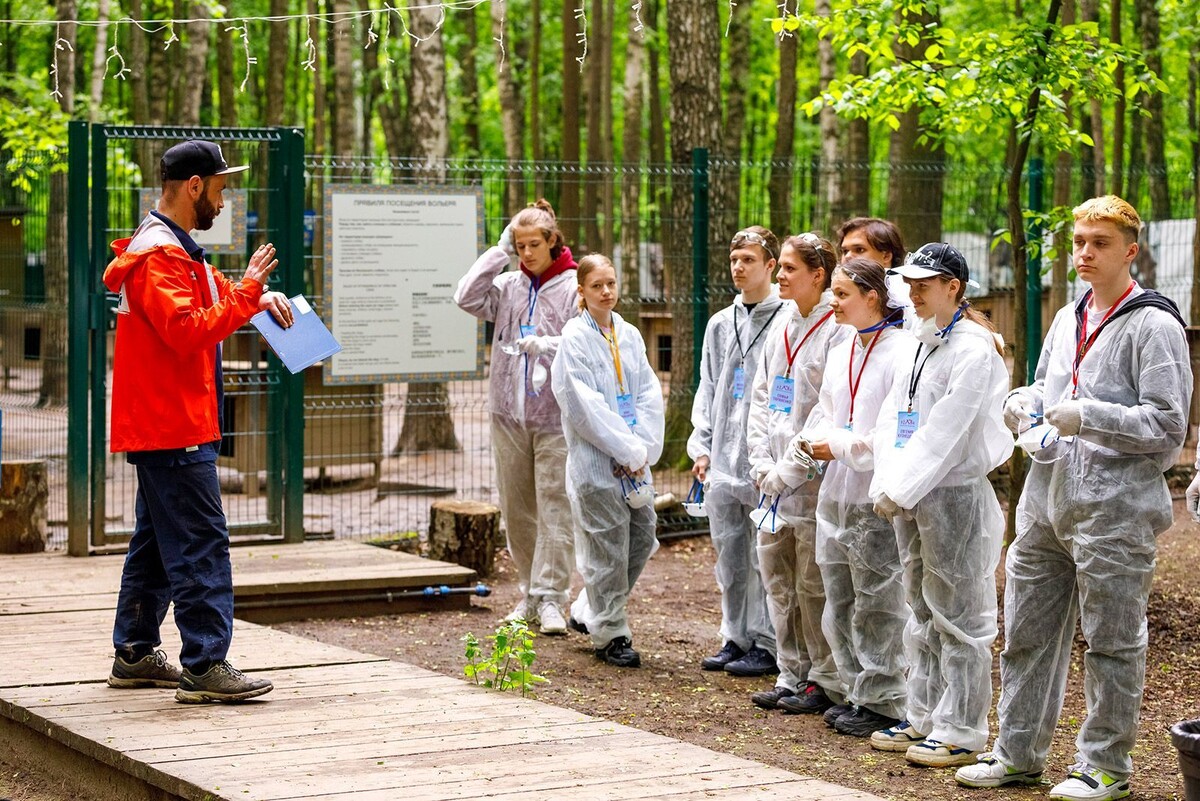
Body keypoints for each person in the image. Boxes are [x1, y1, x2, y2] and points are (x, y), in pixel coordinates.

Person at [956, 196, 1192, 800]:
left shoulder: (1155, 325)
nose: (1084, 252)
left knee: (1113, 639)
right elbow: (1051, 387)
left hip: (1115, 509)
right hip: (1046, 499)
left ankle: (1106, 765)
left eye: (1100, 243)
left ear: (1130, 251)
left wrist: (1085, 416)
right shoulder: (1068, 316)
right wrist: (1025, 401)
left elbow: (1167, 424)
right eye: (1079, 241)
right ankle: (1016, 752)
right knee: (1027, 633)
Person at [104, 140, 292, 703]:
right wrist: (251, 287)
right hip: (174, 426)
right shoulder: (159, 257)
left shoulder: (175, 251)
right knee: (201, 542)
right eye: (219, 188)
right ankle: (206, 664)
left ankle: (134, 653)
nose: (223, 199)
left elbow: (209, 311)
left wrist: (257, 298)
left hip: (173, 422)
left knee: (158, 543)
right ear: (193, 187)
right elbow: (188, 330)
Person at [868, 242, 1012, 766]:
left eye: (923, 284)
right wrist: (890, 481)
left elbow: (948, 430)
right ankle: (924, 713)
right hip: (911, 494)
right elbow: (894, 416)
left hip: (952, 495)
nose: (913, 293)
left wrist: (898, 486)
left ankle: (963, 729)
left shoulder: (973, 349)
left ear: (954, 286)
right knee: (921, 609)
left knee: (960, 616)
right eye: (910, 284)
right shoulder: (921, 338)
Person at [800, 257, 914, 737]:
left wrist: (842, 446)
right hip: (837, 489)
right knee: (840, 596)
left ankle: (885, 699)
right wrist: (811, 442)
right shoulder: (845, 343)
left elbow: (891, 434)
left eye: (843, 294)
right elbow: (826, 409)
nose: (834, 301)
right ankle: (856, 689)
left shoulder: (900, 351)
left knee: (879, 601)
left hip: (874, 494)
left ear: (873, 297)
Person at [454, 200, 578, 635]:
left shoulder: (572, 286)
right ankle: (529, 591)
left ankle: (552, 598)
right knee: (518, 506)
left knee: (555, 505)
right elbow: (465, 296)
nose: (527, 253)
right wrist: (499, 250)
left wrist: (549, 346)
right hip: (507, 412)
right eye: (520, 245)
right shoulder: (507, 285)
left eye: (533, 245)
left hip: (556, 417)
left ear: (552, 242)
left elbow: (587, 343)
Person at [745, 233, 851, 714]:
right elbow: (762, 398)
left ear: (818, 274)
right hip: (772, 484)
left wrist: (793, 465)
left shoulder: (836, 327)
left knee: (813, 582)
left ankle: (823, 677)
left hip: (813, 480)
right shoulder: (782, 323)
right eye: (781, 267)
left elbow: (830, 407)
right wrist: (762, 460)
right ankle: (790, 672)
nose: (781, 275)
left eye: (789, 268)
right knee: (777, 578)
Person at [552, 254, 665, 668]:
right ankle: (611, 633)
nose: (606, 292)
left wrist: (643, 449)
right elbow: (585, 407)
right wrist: (626, 450)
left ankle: (590, 606)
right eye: (597, 285)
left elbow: (648, 393)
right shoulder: (574, 338)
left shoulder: (630, 334)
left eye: (612, 283)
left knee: (641, 536)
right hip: (597, 463)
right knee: (605, 547)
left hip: (634, 461)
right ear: (581, 290)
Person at [688, 227, 786, 677]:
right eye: (734, 259)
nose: (739, 267)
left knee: (764, 553)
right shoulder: (719, 323)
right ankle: (735, 635)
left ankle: (768, 641)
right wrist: (702, 444)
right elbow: (708, 386)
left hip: (763, 455)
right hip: (723, 459)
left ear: (770, 264)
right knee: (728, 550)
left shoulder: (784, 319)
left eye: (749, 259)